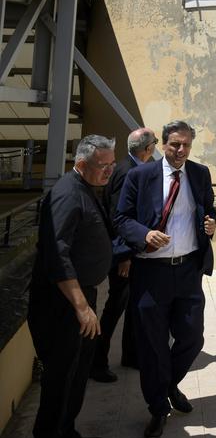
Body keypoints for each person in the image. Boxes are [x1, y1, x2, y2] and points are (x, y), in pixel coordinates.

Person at [115, 120, 216, 438]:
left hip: (188, 270)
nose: (181, 150)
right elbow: (121, 218)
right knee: (153, 345)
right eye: (175, 144)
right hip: (151, 273)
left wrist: (211, 223)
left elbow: (209, 209)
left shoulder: (199, 174)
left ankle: (168, 384)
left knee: (192, 337)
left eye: (186, 144)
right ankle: (158, 408)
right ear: (162, 144)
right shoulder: (140, 176)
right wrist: (144, 234)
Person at [27, 135, 115, 438]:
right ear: (81, 164)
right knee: (61, 378)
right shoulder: (66, 193)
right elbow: (57, 255)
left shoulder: (86, 187)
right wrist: (81, 307)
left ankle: (66, 434)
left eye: (111, 165)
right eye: (103, 166)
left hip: (81, 297)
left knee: (78, 372)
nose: (109, 171)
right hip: (62, 305)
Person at [90, 128, 158, 382]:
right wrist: (125, 256)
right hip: (123, 255)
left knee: (131, 306)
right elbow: (118, 217)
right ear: (148, 149)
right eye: (155, 143)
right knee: (114, 308)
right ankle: (96, 362)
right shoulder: (128, 172)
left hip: (129, 252)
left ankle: (131, 355)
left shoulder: (129, 167)